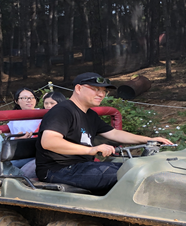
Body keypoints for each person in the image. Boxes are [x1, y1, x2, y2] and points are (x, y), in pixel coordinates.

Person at [35, 72, 172, 194]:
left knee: (136, 169)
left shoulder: (89, 114)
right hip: (58, 170)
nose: (101, 94)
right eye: (95, 89)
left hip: (81, 167)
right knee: (130, 175)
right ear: (78, 88)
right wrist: (92, 150)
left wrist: (148, 139)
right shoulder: (62, 111)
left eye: (104, 91)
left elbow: (114, 134)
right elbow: (49, 142)